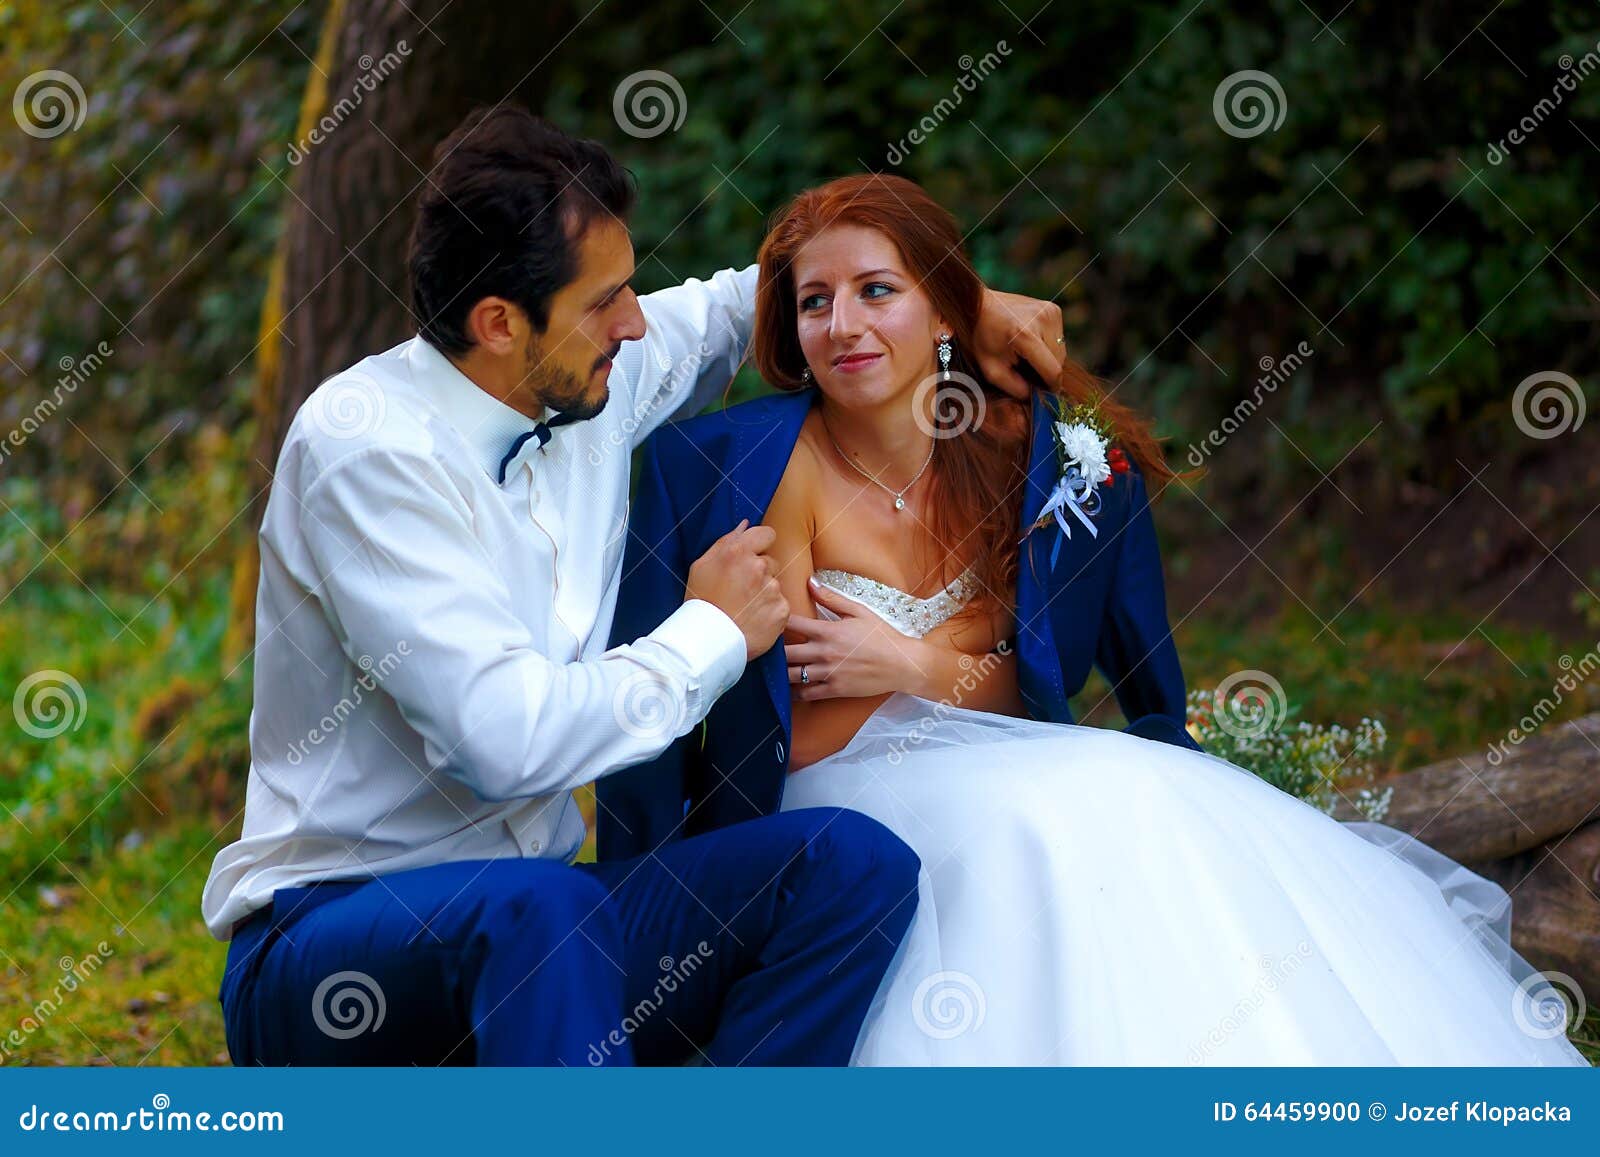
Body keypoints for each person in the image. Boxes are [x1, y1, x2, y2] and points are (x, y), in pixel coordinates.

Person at [601, 173, 1590, 1066]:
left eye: (875, 290)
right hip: (830, 802)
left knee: (1142, 788)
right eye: (813, 302)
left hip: (1000, 754)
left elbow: (1032, 685)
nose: (841, 324)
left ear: (948, 310)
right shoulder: (745, 463)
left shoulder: (1035, 456)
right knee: (1037, 821)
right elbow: (799, 711)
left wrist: (906, 661)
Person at [202, 109, 1068, 1067]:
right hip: (332, 949)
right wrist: (707, 630)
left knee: (849, 864)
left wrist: (959, 304)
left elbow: (751, 304)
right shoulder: (364, 448)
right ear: (499, 323)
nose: (636, 320)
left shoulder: (586, 384)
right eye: (605, 300)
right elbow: (505, 742)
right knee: (542, 911)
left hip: (540, 927)